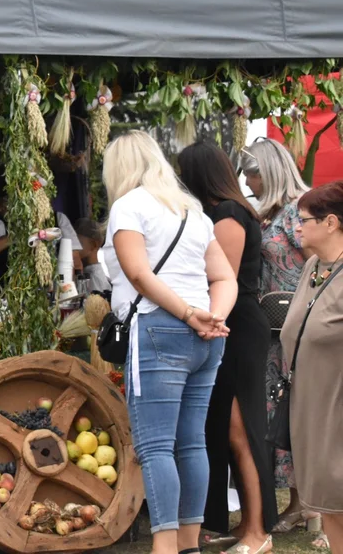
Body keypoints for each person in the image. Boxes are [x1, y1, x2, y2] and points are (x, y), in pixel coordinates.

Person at [101, 131, 237, 554]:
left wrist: (188, 314)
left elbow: (139, 275)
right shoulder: (192, 210)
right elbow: (225, 277)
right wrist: (213, 316)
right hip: (205, 335)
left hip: (160, 328)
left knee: (156, 445)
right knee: (192, 441)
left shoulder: (128, 207)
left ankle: (164, 546)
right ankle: (189, 544)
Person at [178, 143, 277, 552]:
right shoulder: (223, 212)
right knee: (224, 427)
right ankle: (242, 524)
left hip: (236, 327)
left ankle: (258, 531)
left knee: (240, 429)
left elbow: (224, 280)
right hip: (229, 326)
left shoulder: (228, 214)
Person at [239, 138, 319, 542]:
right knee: (284, 413)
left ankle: (314, 507)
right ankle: (298, 502)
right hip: (275, 333)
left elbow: (323, 263)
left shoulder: (299, 210)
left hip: (299, 329)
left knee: (304, 412)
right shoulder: (272, 212)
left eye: (251, 173)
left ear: (267, 171)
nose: (247, 181)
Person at [280, 181, 343, 554]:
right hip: (312, 404)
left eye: (303, 220)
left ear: (331, 222)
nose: (296, 228)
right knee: (328, 501)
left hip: (338, 403)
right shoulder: (313, 268)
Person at [74, 217, 111, 293]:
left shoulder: (96, 280)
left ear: (94, 244)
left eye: (77, 243)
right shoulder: (84, 272)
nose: (73, 248)